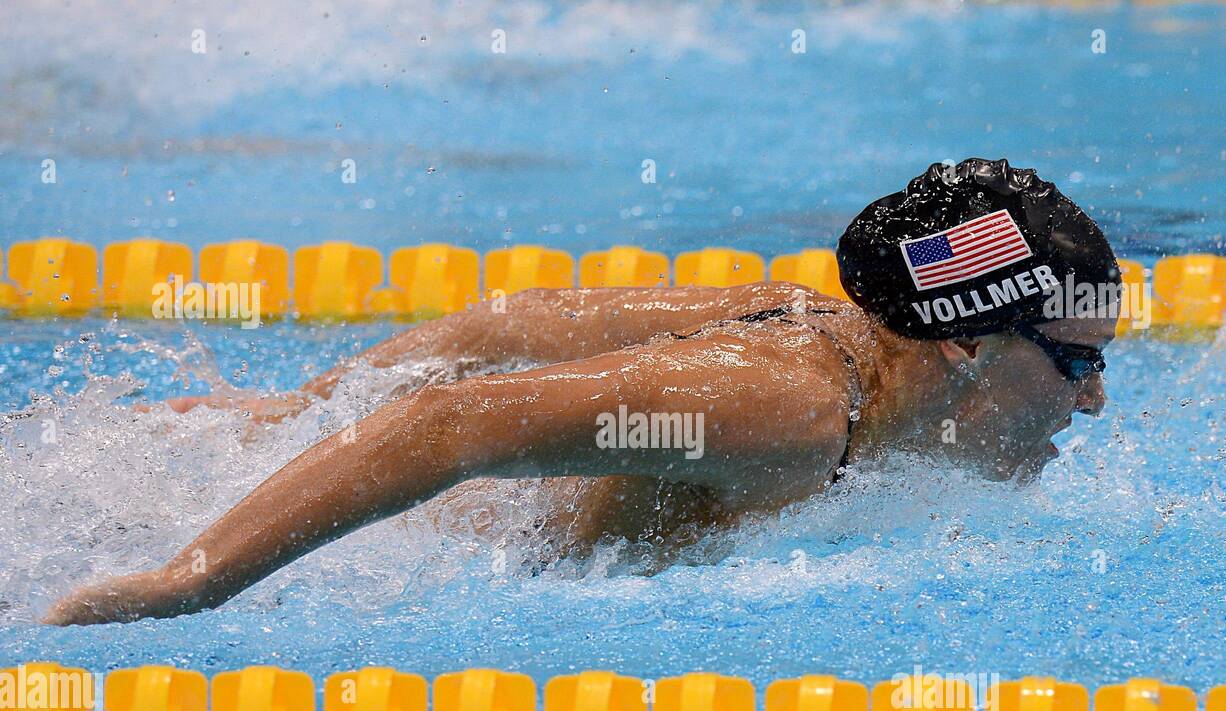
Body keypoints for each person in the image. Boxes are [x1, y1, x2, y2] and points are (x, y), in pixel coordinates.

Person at [44, 158, 1120, 625]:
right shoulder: (788, 412)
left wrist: (289, 417)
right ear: (968, 345)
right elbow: (451, 418)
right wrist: (189, 579)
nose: (1093, 402)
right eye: (1075, 360)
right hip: (363, 566)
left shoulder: (808, 323)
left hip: (233, 490)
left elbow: (499, 326)